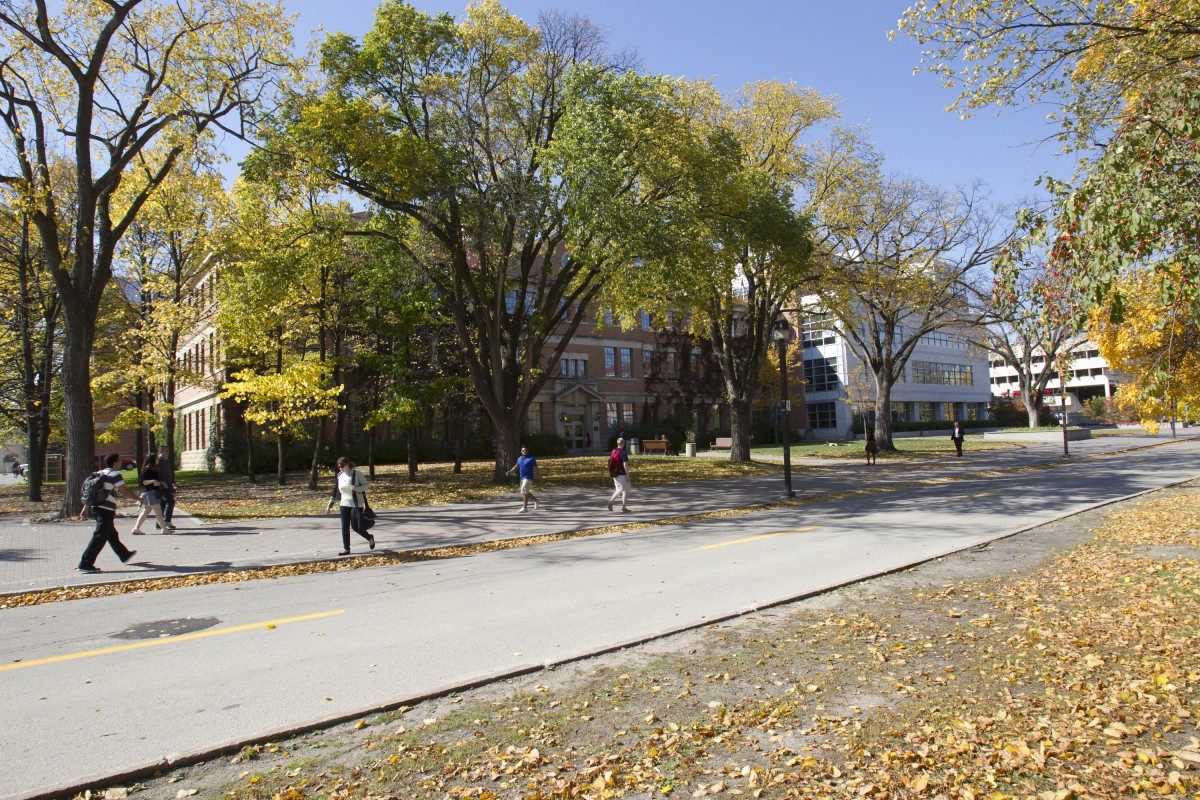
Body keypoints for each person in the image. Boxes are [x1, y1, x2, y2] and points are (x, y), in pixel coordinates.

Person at [77, 453, 137, 573]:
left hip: (96, 508)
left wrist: (86, 508)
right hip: (106, 510)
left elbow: (91, 492)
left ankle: (124, 555)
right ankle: (85, 564)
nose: (121, 462)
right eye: (119, 460)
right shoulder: (115, 474)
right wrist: (138, 498)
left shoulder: (100, 473)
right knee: (99, 536)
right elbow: (123, 490)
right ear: (114, 462)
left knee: (111, 534)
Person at [325, 456, 375, 555]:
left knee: (356, 527)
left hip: (356, 504)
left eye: (342, 466)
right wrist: (329, 506)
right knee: (344, 527)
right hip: (344, 504)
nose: (341, 468)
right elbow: (336, 492)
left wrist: (357, 488)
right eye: (339, 467)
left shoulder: (357, 474)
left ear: (347, 465)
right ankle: (346, 549)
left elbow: (366, 485)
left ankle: (369, 537)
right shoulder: (340, 476)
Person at [130, 454, 174, 534]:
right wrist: (153, 481)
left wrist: (161, 483)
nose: (158, 460)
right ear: (152, 460)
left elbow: (152, 481)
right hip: (150, 493)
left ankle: (136, 529)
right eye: (156, 458)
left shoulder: (152, 469)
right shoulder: (148, 469)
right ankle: (164, 529)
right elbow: (142, 482)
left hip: (149, 493)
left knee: (146, 512)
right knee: (158, 512)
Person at [506, 445, 539, 513]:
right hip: (522, 478)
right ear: (521, 451)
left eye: (526, 450)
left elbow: (536, 468)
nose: (524, 451)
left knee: (524, 491)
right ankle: (536, 500)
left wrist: (537, 476)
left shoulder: (531, 459)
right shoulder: (519, 458)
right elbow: (516, 466)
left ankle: (525, 508)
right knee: (525, 492)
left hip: (529, 478)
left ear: (528, 451)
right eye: (523, 450)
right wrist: (510, 471)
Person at [607, 436, 632, 513]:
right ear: (623, 443)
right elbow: (625, 465)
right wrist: (628, 476)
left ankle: (611, 501)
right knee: (624, 491)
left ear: (617, 443)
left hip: (615, 473)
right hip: (622, 474)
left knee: (618, 490)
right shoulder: (623, 453)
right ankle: (623, 508)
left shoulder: (613, 451)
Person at [156, 445, 177, 528]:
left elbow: (169, 473)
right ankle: (167, 521)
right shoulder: (159, 461)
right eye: (166, 451)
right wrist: (160, 483)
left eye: (168, 451)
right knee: (171, 502)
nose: (168, 452)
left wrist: (173, 482)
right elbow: (156, 474)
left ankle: (158, 523)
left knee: (162, 504)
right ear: (161, 451)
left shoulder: (166, 461)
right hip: (162, 487)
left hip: (168, 486)